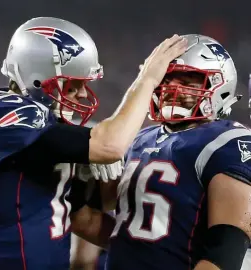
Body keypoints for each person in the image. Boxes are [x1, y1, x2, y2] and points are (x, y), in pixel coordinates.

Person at [0, 15, 187, 270]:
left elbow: (81, 218)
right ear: (37, 77)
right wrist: (147, 80)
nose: (81, 94)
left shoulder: (48, 125)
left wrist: (151, 254)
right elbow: (110, 146)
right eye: (72, 84)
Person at [75, 34, 251, 270]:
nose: (173, 88)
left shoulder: (229, 142)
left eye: (189, 81)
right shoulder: (138, 139)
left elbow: (223, 254)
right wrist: (76, 176)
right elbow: (105, 228)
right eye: (167, 79)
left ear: (219, 85)